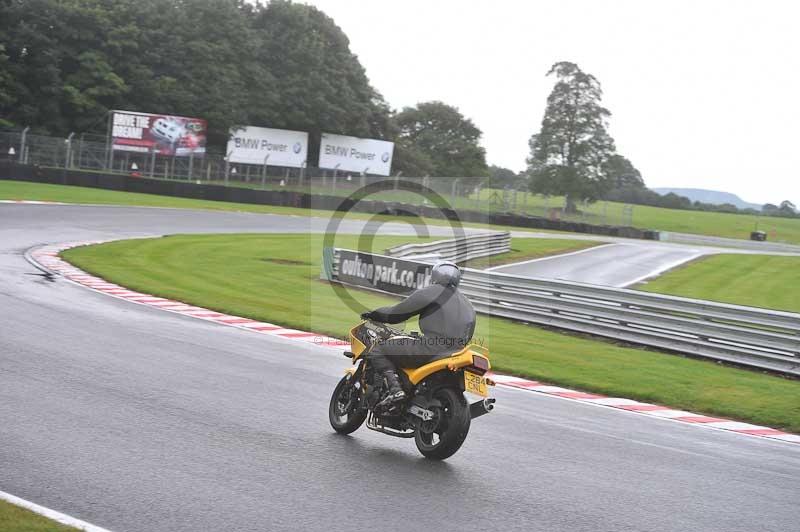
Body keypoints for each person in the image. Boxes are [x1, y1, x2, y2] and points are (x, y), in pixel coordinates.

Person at [360, 261, 476, 406]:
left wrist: (375, 315)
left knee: (379, 349)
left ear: (436, 276)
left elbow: (397, 313)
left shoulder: (433, 292)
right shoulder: (468, 304)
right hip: (458, 352)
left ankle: (395, 389)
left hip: (431, 347)